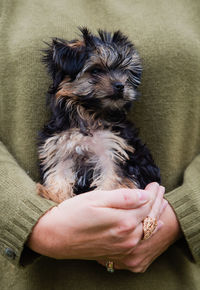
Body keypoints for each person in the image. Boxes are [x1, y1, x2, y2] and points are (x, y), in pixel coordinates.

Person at [0, 0, 200, 289]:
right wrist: (30, 220)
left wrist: (183, 212)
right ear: (65, 73)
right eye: (97, 73)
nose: (118, 83)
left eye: (125, 75)